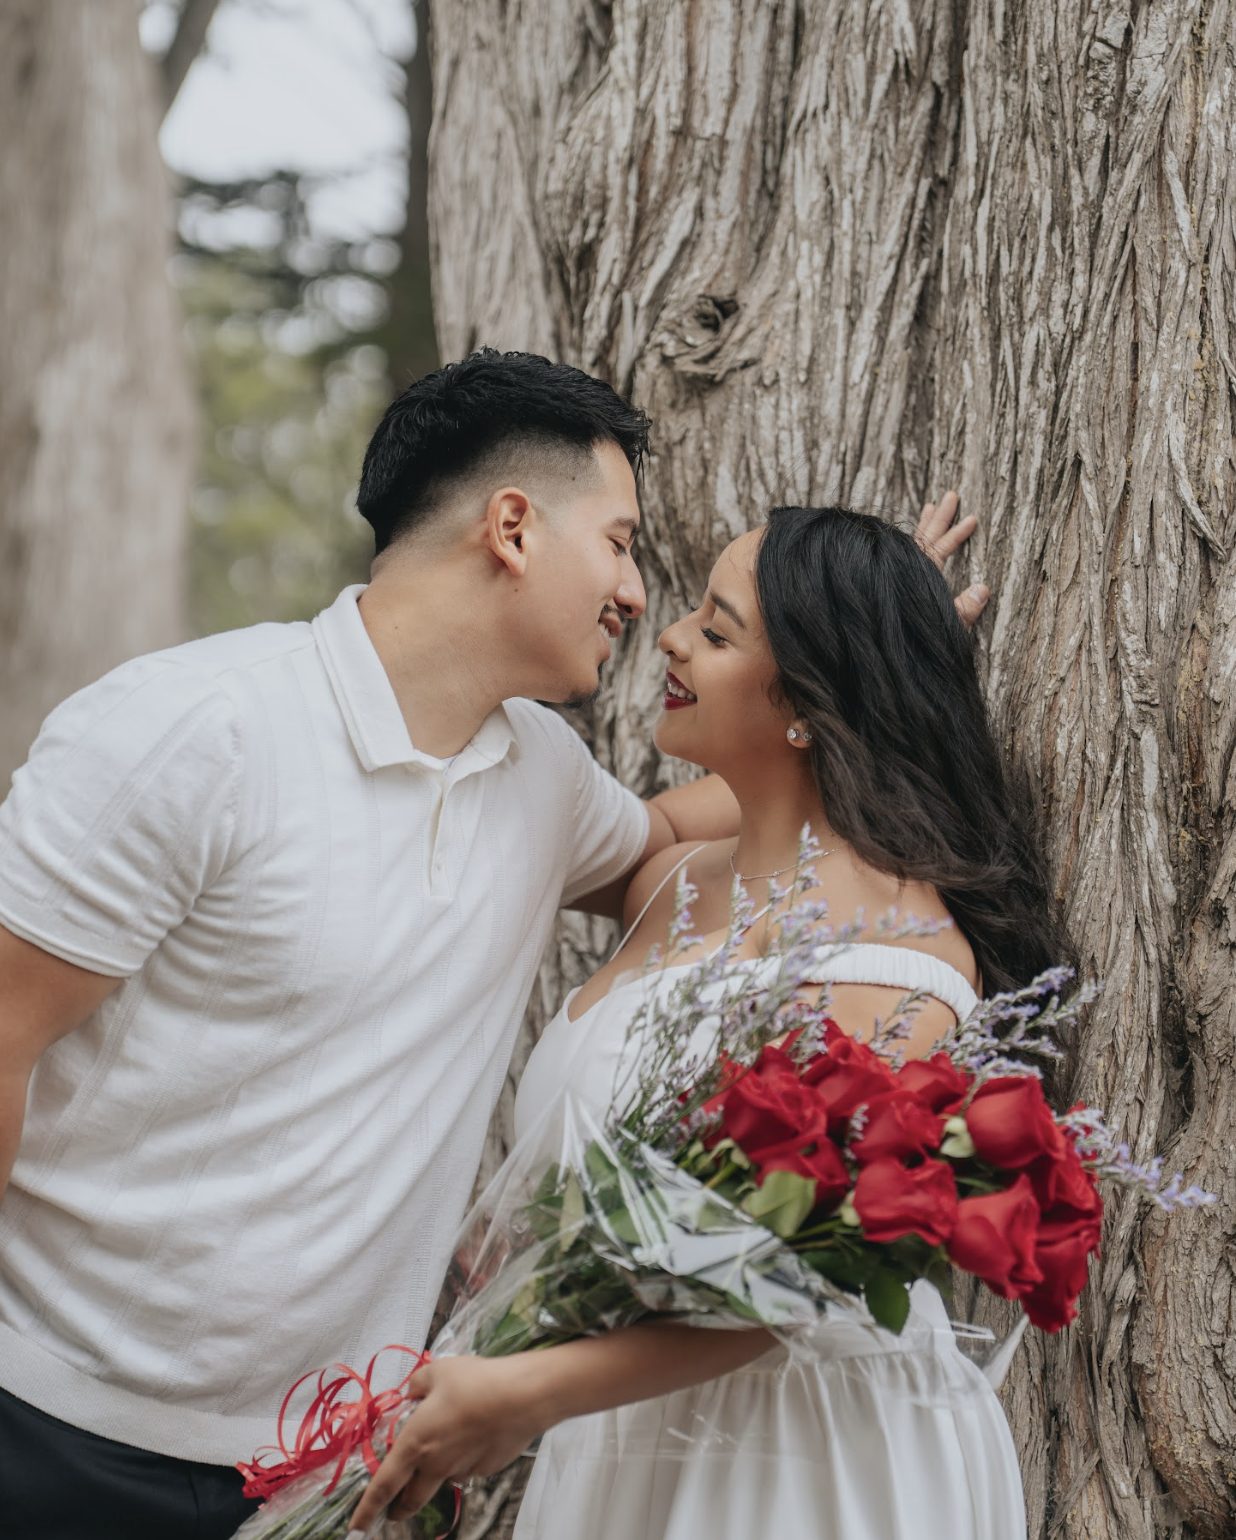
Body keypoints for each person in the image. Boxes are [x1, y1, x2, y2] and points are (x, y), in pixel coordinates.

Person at [0, 349, 982, 1540]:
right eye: (619, 542)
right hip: (57, 1434)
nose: (636, 592)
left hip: (334, 1470)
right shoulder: (191, 730)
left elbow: (694, 836)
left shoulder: (544, 778)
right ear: (512, 526)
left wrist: (868, 664)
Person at [349, 504, 1057, 1540]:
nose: (671, 637)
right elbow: (764, 809)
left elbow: (804, 1279)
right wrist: (872, 662)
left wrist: (528, 1392)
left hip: (804, 1462)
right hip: (618, 1435)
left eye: (718, 631)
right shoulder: (673, 877)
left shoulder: (895, 964)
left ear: (811, 700)